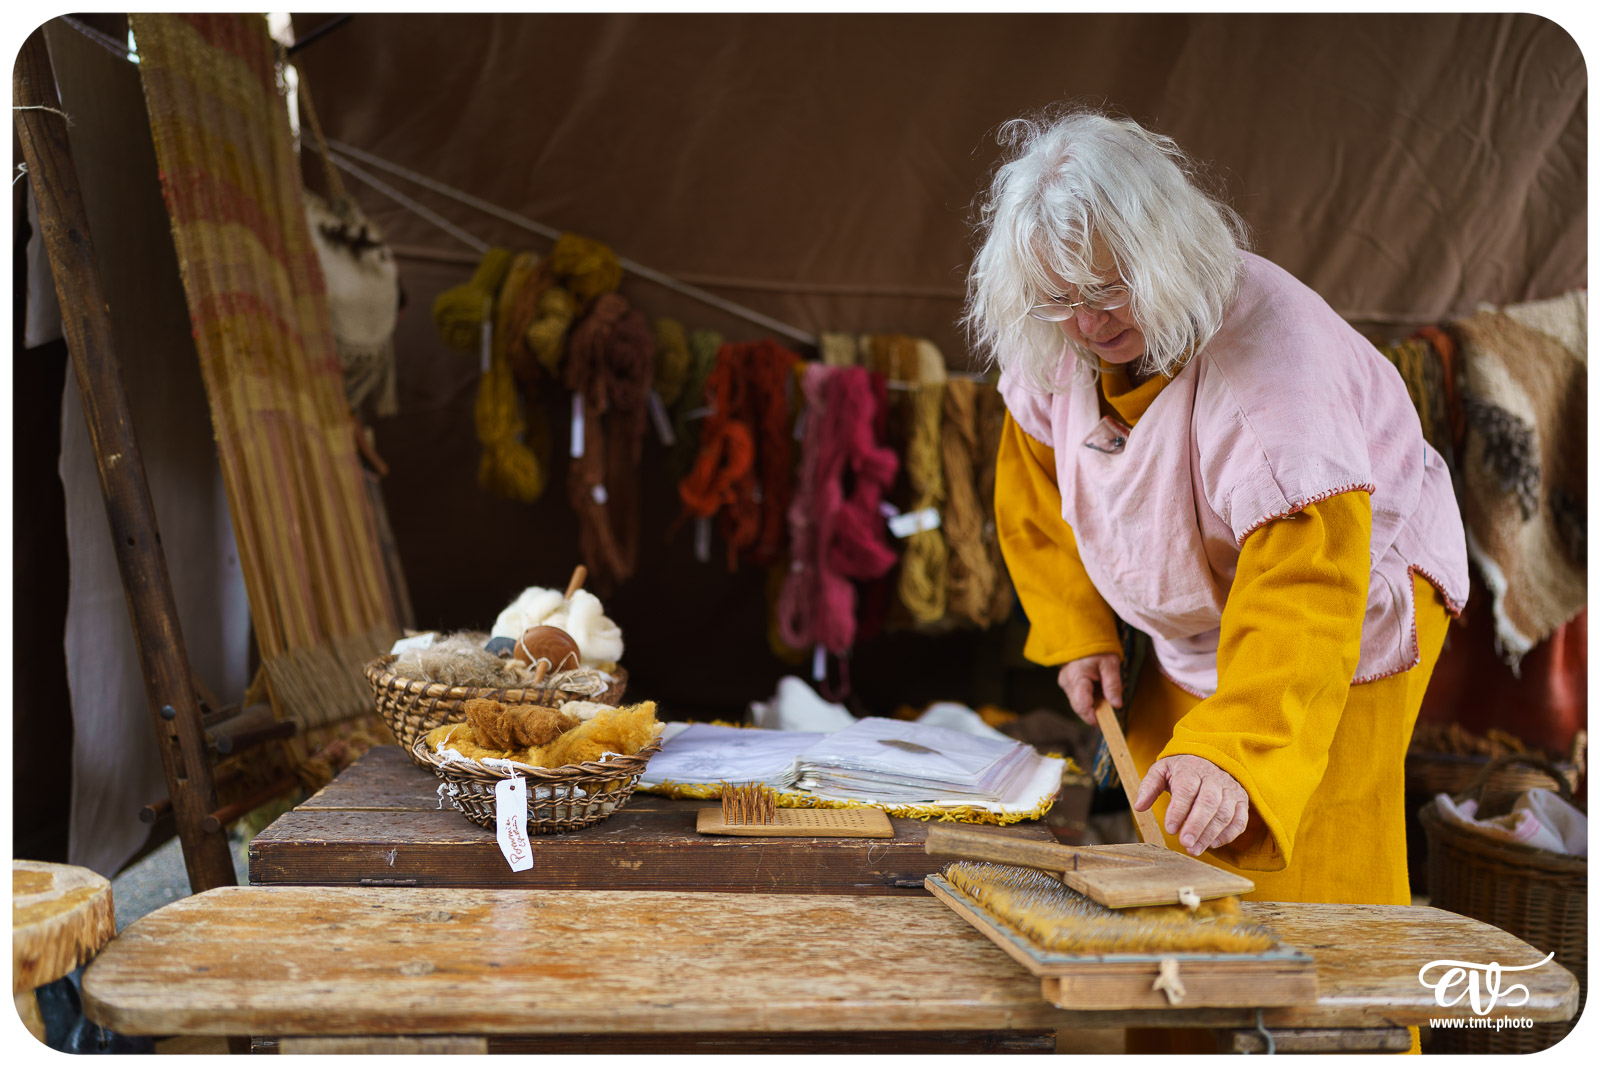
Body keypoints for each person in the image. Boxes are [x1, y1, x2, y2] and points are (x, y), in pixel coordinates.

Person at [966, 109, 1469, 912]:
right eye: (1061, 298)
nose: (1089, 323)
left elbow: (1306, 583)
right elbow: (1035, 477)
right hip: (1212, 603)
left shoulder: (1273, 373)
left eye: (1109, 290)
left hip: (1340, 592)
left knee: (1292, 857)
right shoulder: (1058, 335)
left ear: (1163, 253)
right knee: (1173, 828)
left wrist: (1235, 748)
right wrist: (1078, 629)